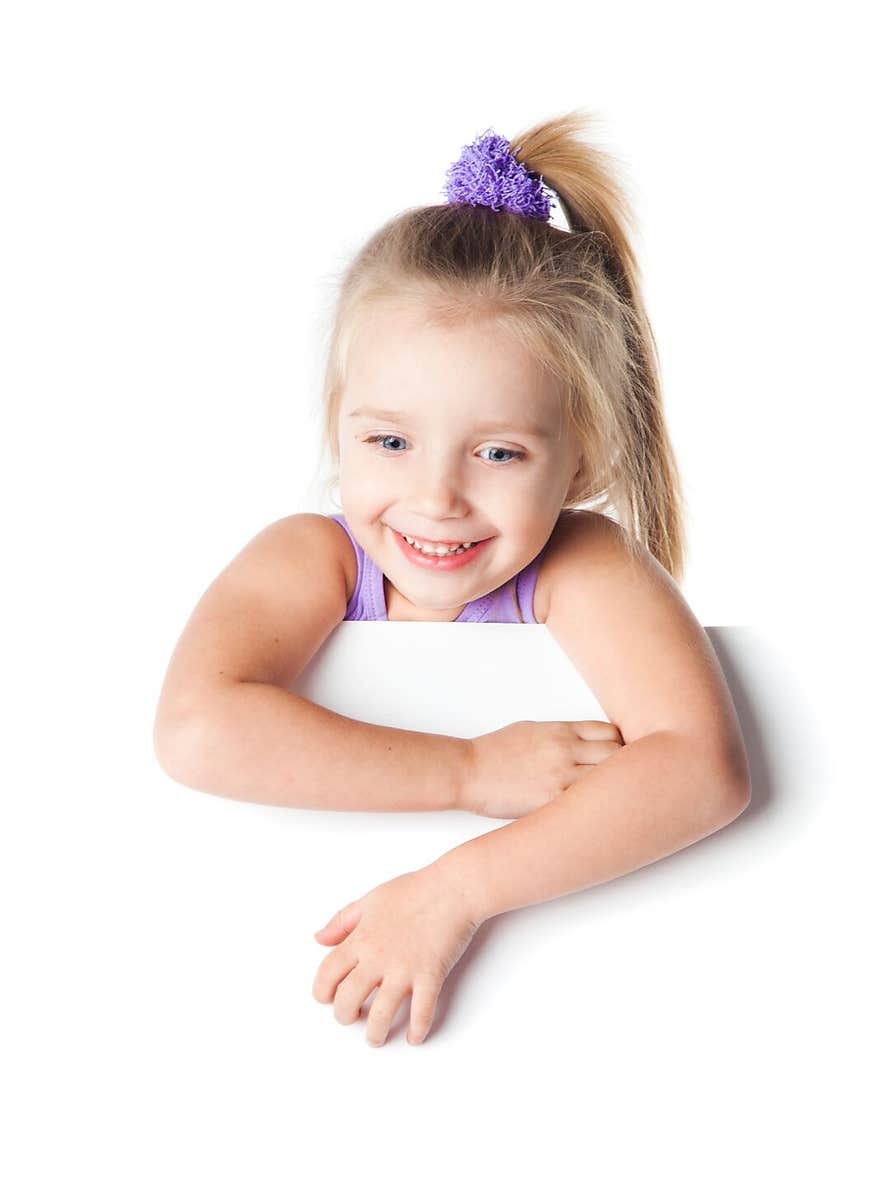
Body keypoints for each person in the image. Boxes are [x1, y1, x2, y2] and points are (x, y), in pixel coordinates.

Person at [153, 111, 751, 1048]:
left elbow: (700, 770)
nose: (435, 499)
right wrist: (467, 769)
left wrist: (454, 892)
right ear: (338, 424)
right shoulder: (316, 556)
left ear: (584, 459)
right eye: (389, 441)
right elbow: (196, 731)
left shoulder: (578, 563)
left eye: (501, 452)